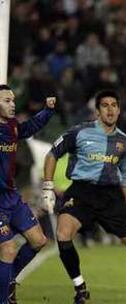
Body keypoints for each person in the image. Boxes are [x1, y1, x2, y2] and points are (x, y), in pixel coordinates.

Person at [42, 90, 126, 304]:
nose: (109, 109)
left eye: (113, 105)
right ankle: (80, 288)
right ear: (98, 111)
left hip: (111, 197)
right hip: (81, 192)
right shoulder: (79, 132)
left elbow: (125, 179)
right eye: (105, 105)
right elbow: (52, 154)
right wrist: (48, 187)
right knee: (63, 234)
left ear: (119, 110)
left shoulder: (125, 142)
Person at [0, 84, 55, 304]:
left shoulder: (12, 126)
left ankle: (8, 280)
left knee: (39, 240)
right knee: (8, 248)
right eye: (6, 101)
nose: (12, 104)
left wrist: (47, 111)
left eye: (13, 100)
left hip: (11, 197)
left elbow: (28, 128)